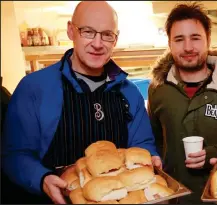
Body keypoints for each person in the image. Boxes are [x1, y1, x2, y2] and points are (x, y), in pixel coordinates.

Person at [1, 2, 161, 204]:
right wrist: (41, 178)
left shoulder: (128, 92)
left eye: (106, 34)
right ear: (71, 31)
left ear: (115, 39)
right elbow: (15, 154)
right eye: (88, 32)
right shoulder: (34, 88)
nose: (97, 43)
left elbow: (143, 145)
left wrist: (151, 158)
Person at [147, 3, 217, 203]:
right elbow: (155, 143)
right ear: (169, 43)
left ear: (208, 40)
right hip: (175, 199)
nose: (188, 47)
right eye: (179, 39)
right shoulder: (158, 91)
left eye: (195, 38)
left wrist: (216, 154)